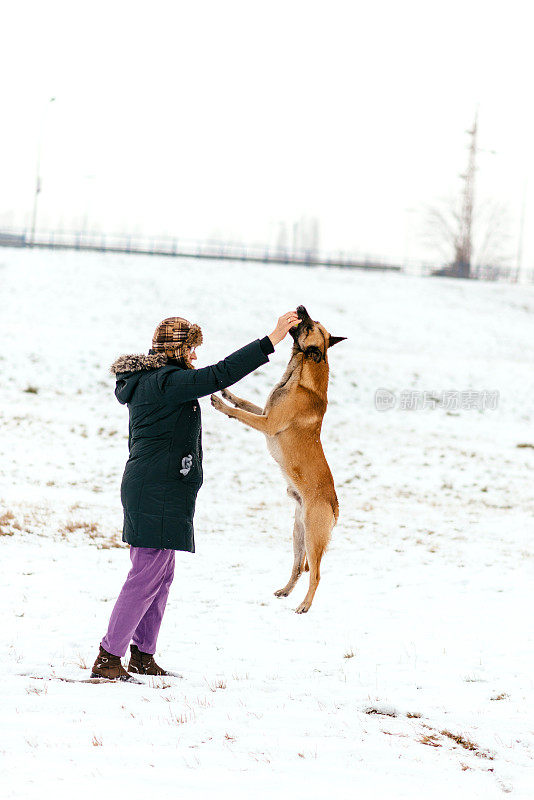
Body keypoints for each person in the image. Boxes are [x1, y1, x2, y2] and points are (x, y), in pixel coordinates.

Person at [91, 311, 301, 680]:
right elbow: (219, 374)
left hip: (161, 486)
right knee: (145, 576)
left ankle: (143, 655)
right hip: (154, 487)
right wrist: (271, 340)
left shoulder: (157, 380)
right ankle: (109, 658)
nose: (195, 357)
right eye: (191, 349)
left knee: (161, 574)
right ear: (177, 350)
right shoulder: (165, 381)